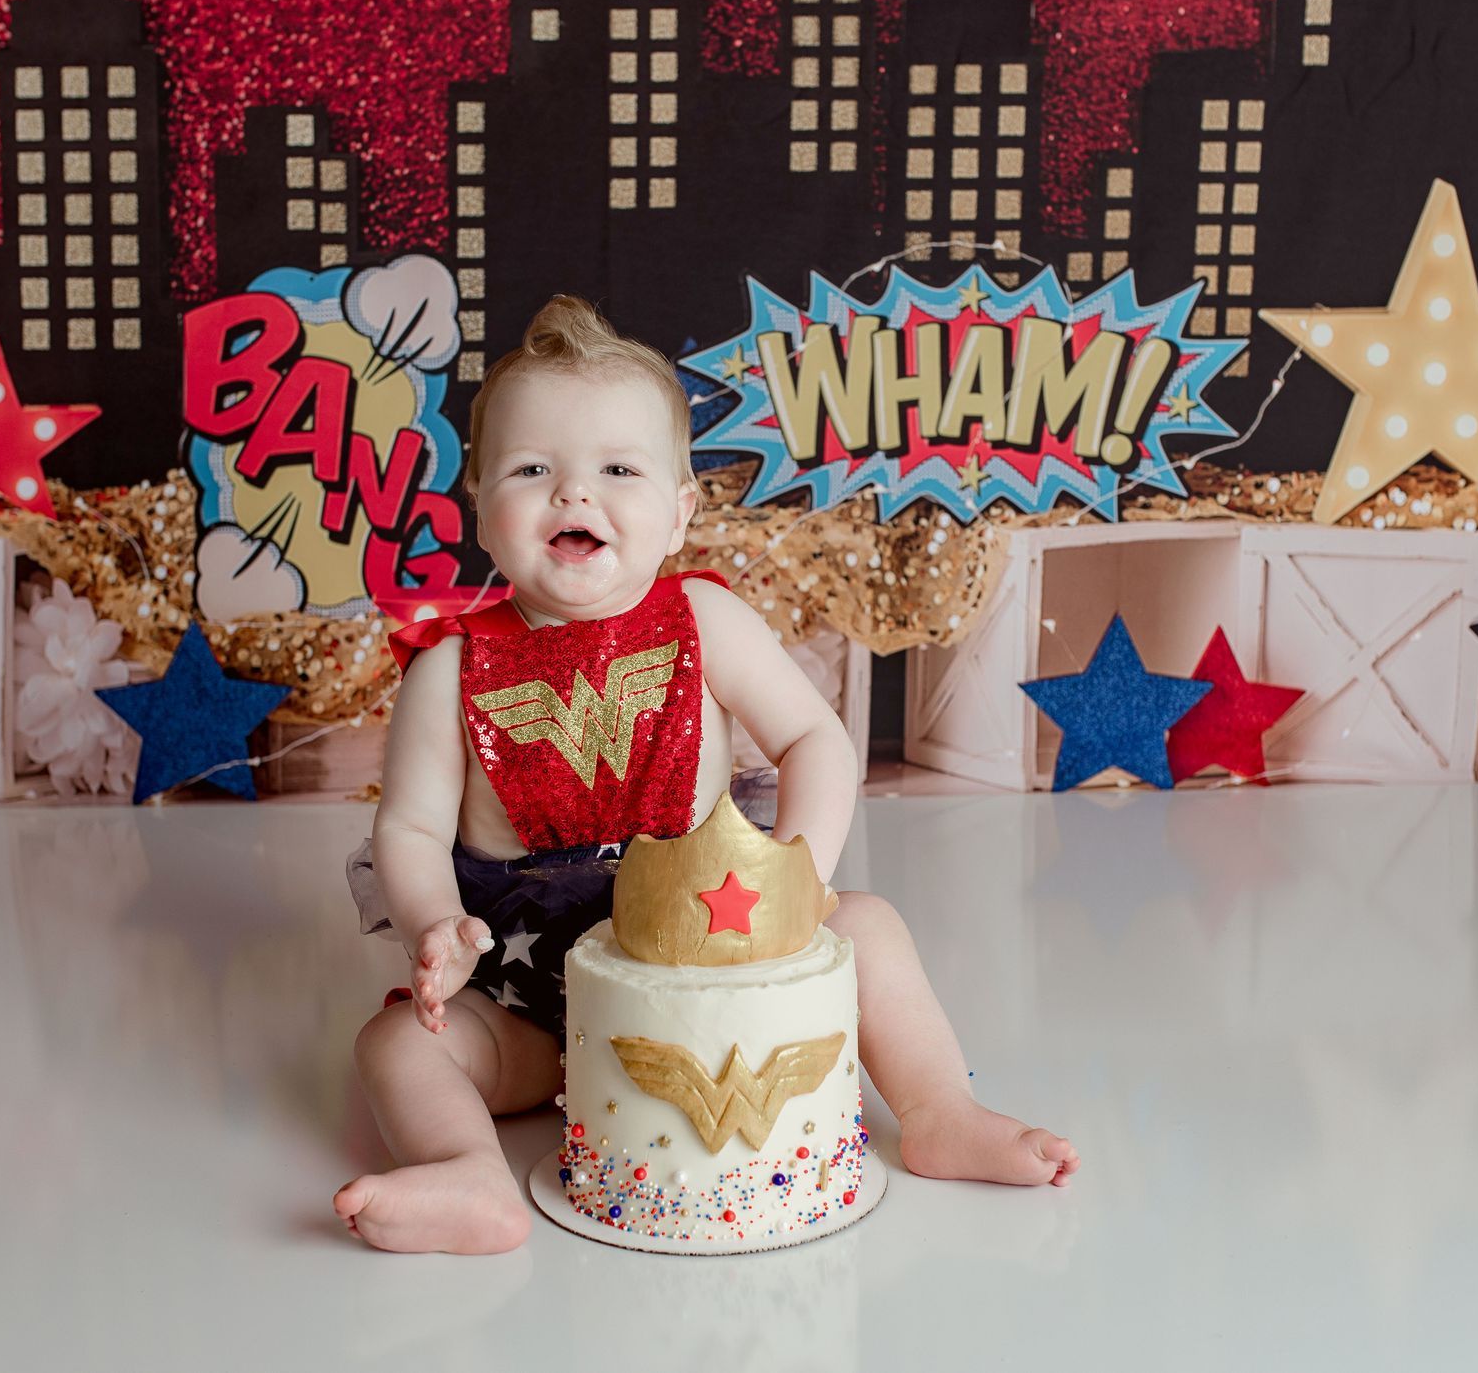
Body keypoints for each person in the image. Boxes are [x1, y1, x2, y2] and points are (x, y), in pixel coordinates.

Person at [334, 296, 1077, 1253]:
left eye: (618, 469)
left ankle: (936, 1109)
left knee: (872, 926)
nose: (574, 495)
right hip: (529, 1011)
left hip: (709, 973)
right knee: (397, 1043)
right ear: (478, 508)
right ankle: (468, 1171)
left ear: (681, 512)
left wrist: (797, 870)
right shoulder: (448, 672)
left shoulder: (704, 624)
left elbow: (817, 739)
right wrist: (438, 924)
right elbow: (407, 829)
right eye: (531, 470)